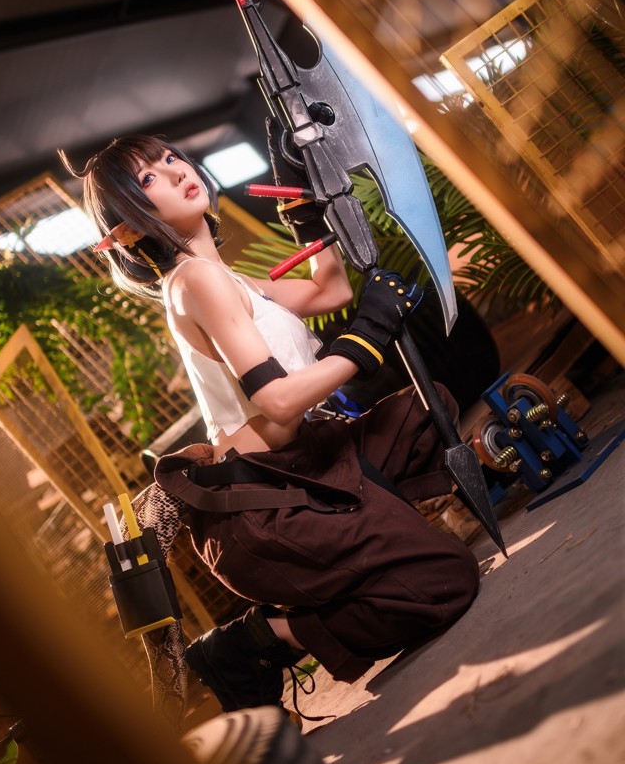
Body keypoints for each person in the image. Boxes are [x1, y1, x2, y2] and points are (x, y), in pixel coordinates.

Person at [66, 128, 479, 722]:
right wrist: (366, 337)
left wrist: (303, 207)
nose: (177, 167)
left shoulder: (225, 278)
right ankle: (255, 642)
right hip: (262, 509)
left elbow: (328, 288)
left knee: (422, 409)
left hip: (309, 462)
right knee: (446, 579)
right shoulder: (192, 283)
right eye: (150, 176)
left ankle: (373, 537)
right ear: (126, 229)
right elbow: (280, 402)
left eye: (171, 156)